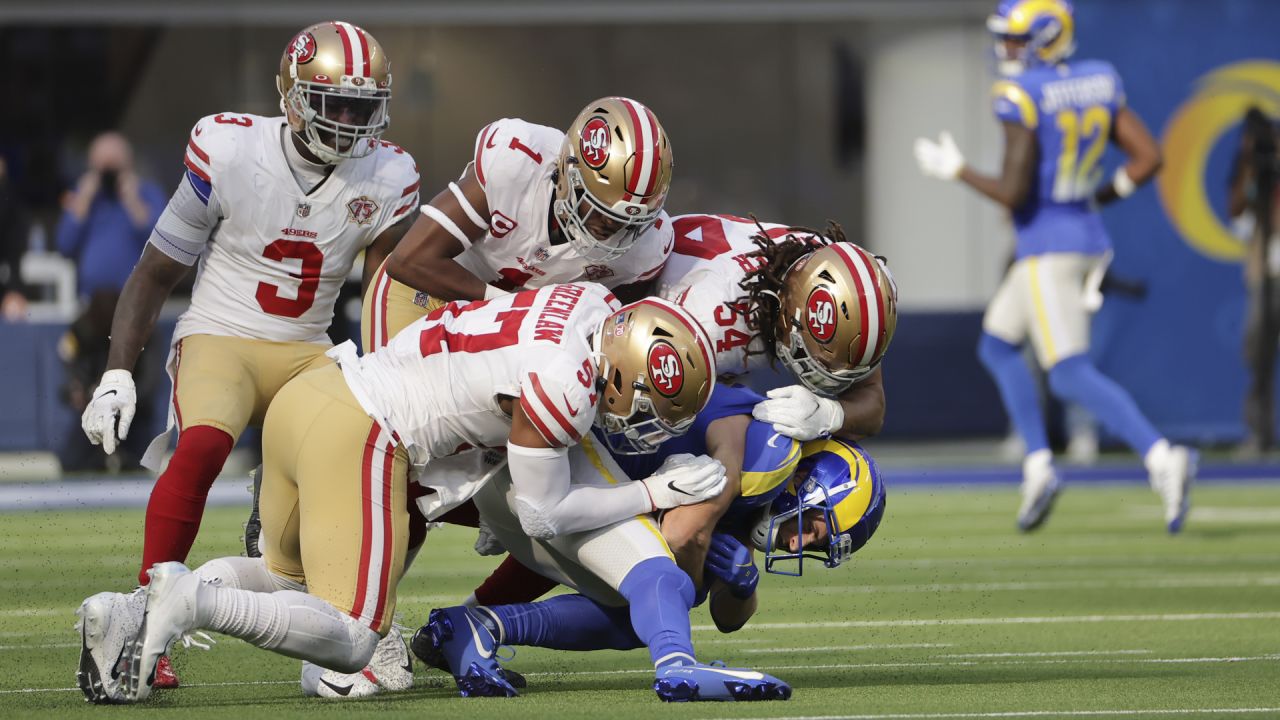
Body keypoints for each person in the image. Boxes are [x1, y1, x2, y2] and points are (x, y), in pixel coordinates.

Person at [79, 286, 723, 704]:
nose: (644, 425)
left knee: (285, 580)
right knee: (356, 639)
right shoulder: (571, 385)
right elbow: (543, 513)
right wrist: (650, 489)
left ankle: (128, 614)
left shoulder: (587, 303)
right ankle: (189, 599)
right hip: (365, 429)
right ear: (620, 375)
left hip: (316, 393)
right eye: (648, 409)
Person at [75, 20, 418, 690]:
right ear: (292, 97)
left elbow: (384, 295)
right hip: (222, 337)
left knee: (367, 458)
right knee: (201, 447)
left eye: (360, 107)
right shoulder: (230, 149)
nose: (349, 123)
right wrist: (116, 372)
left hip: (308, 353)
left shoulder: (389, 174)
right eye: (333, 104)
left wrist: (395, 385)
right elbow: (153, 271)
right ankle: (147, 622)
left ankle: (372, 619)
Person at [913, 0, 1195, 533]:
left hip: (1048, 246)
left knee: (1067, 372)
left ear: (1046, 38)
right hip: (1081, 235)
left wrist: (958, 171)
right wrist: (1098, 196)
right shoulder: (1097, 80)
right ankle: (1039, 464)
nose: (1005, 50)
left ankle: (1162, 456)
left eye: (1015, 40)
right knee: (997, 346)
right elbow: (1149, 157)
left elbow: (1015, 194)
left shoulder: (1022, 94)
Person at [413, 387, 884, 702]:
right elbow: (683, 535)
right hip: (543, 461)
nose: (800, 542)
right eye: (814, 527)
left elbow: (726, 617)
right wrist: (702, 575)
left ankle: (468, 626)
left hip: (553, 487)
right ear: (804, 480)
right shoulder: (769, 454)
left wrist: (742, 588)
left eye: (815, 546)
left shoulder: (754, 499)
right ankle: (678, 667)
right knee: (662, 584)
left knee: (644, 600)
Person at [363, 95, 675, 354]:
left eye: (629, 222)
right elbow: (410, 261)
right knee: (396, 413)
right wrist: (511, 307)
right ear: (568, 174)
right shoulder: (518, 162)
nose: (609, 226)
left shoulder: (647, 249)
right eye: (599, 208)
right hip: (425, 295)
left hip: (512, 334)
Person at [1227, 107, 1280, 457]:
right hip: (1262, 272)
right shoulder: (1249, 166)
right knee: (1257, 354)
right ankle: (1259, 434)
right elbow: (1236, 210)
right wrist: (1250, 166)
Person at [0, 156, 31, 321]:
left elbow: (13, 249)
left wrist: (14, 290)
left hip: (5, 287)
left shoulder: (9, 205)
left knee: (13, 311)